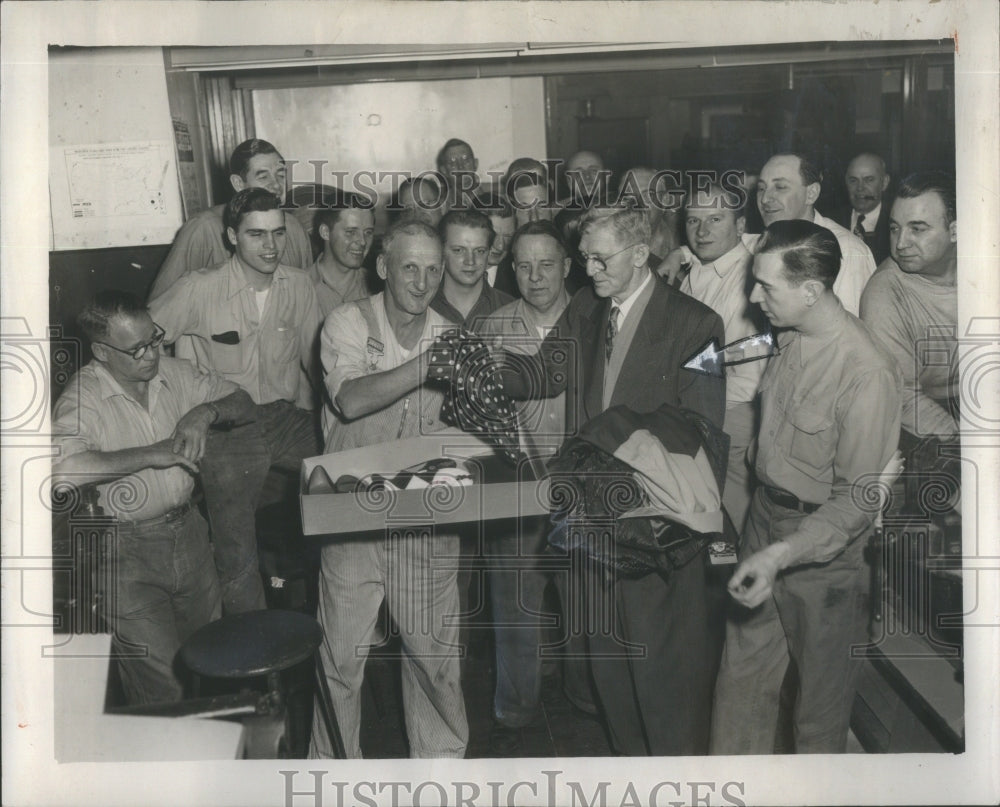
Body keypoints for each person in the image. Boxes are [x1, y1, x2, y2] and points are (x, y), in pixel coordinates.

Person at [502, 205, 727, 755]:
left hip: (654, 528)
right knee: (611, 672)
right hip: (592, 529)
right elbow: (543, 373)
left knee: (664, 680)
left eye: (599, 258)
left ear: (638, 253)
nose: (589, 268)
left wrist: (616, 450)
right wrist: (468, 369)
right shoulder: (584, 307)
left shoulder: (698, 325)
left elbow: (702, 434)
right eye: (584, 257)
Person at [711, 219, 901, 754]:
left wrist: (781, 554)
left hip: (823, 556)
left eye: (766, 285)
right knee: (740, 684)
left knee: (817, 716)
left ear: (811, 291)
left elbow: (856, 504)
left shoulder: (867, 373)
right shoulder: (786, 337)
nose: (753, 296)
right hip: (763, 520)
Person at [310, 220, 467, 759]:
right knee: (341, 661)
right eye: (409, 268)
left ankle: (441, 775)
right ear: (383, 268)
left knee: (435, 659)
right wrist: (428, 365)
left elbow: (471, 434)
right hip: (351, 515)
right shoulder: (346, 322)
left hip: (426, 517)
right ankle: (332, 780)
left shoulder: (453, 334)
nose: (422, 283)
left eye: (433, 269)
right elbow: (350, 401)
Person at [51, 291, 256, 704]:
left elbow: (244, 402)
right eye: (137, 348)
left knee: (213, 668)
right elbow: (62, 472)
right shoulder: (82, 397)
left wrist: (205, 413)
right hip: (126, 556)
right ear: (102, 352)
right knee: (162, 690)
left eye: (155, 339)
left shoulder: (174, 373)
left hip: (190, 537)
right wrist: (154, 454)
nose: (151, 354)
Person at [149, 187, 322, 614]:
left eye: (278, 234)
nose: (271, 246)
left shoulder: (299, 285)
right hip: (227, 430)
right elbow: (139, 342)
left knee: (352, 477)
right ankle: (253, 662)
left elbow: (319, 369)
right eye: (256, 235)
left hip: (285, 419)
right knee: (236, 553)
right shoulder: (199, 288)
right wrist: (181, 399)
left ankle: (339, 616)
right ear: (231, 236)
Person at [474, 220, 572, 753]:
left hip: (583, 484)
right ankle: (514, 713)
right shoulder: (493, 327)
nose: (534, 277)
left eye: (546, 264)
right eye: (523, 265)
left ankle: (580, 694)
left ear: (568, 266)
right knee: (514, 601)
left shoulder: (593, 318)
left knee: (583, 599)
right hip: (515, 485)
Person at [680, 182, 768, 534]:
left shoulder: (748, 277)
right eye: (693, 220)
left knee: (736, 524)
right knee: (711, 528)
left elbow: (753, 346)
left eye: (715, 219)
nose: (702, 231)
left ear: (741, 226)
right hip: (702, 414)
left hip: (733, 415)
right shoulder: (694, 269)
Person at [860, 171, 958, 441]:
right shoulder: (885, 291)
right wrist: (971, 446)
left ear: (955, 231)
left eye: (917, 228)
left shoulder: (986, 263)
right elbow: (902, 396)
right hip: (933, 416)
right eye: (894, 228)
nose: (901, 244)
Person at [149, 138, 312, 300]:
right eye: (263, 177)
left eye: (281, 175)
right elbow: (159, 307)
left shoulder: (294, 227)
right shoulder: (203, 227)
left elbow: (306, 296)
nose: (276, 185)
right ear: (238, 183)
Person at [754, 152, 876, 314]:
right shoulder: (760, 245)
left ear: (811, 194)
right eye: (761, 188)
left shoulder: (848, 251)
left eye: (780, 187)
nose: (765, 199)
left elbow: (845, 333)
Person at [430, 208, 513, 329]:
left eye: (479, 251)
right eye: (458, 250)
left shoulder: (510, 309)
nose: (470, 261)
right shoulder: (423, 305)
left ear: (489, 252)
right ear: (440, 251)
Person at [307, 197, 375, 318]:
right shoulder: (297, 287)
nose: (363, 242)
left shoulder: (379, 288)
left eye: (368, 233)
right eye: (351, 232)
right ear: (325, 232)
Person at [834, 152, 893, 265]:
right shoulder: (832, 221)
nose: (860, 188)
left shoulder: (895, 222)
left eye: (869, 180)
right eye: (853, 180)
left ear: (884, 182)